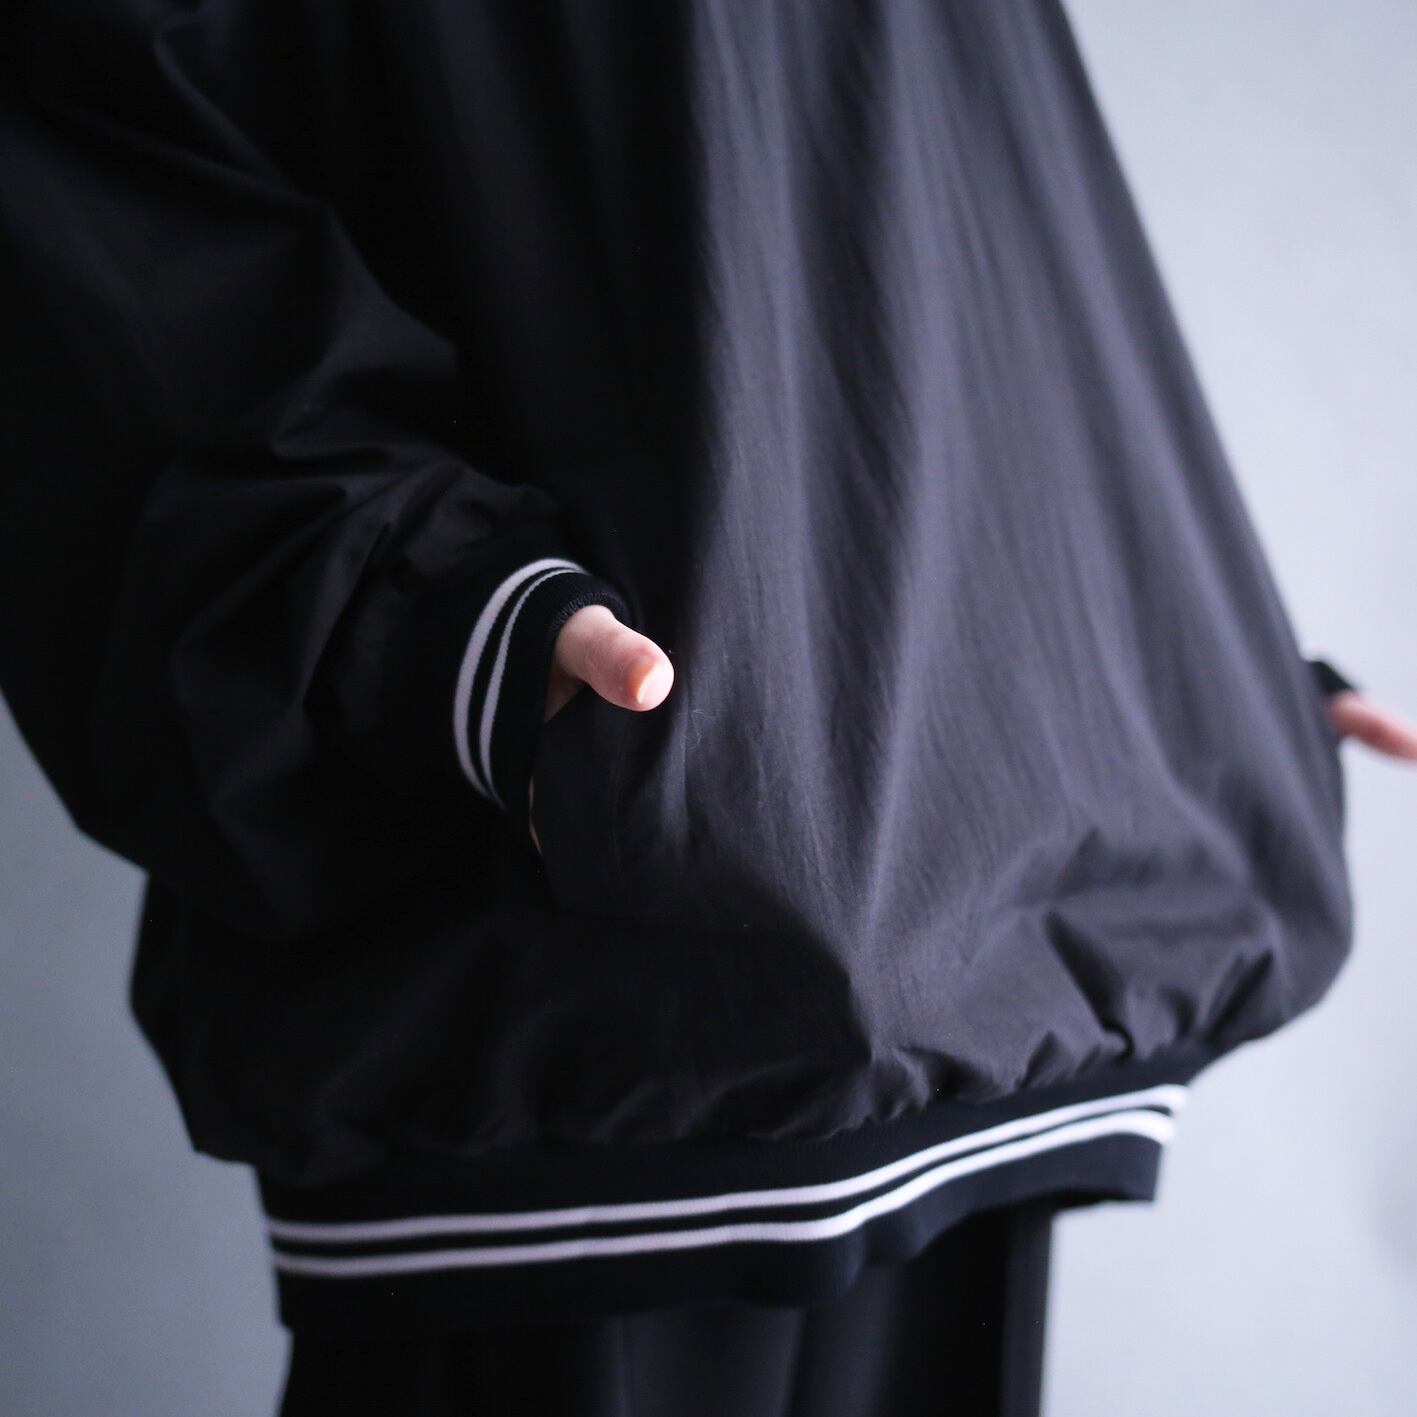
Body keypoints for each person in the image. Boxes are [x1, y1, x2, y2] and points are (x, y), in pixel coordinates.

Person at [2, 2, 1414, 1414]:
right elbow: (97, 197)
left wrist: (1177, 675)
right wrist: (447, 624)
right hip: (595, 975)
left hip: (966, 968)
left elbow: (954, 212)